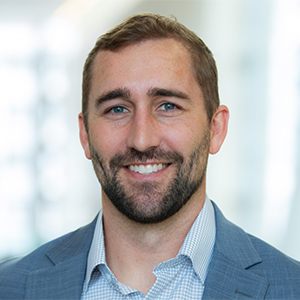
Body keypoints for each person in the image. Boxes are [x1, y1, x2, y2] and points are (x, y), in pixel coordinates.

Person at [0, 13, 299, 300]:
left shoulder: (292, 289)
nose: (142, 140)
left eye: (168, 106)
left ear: (216, 129)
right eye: (117, 109)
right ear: (85, 135)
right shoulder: (9, 288)